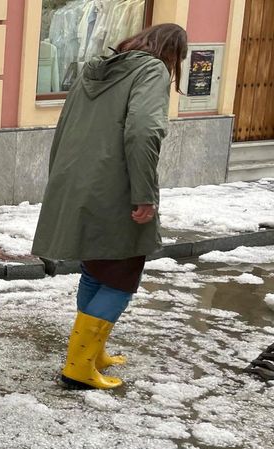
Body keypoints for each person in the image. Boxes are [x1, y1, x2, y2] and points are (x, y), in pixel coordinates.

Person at [31, 24, 188, 390]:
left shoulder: (95, 68)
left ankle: (92, 351)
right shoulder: (152, 70)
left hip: (77, 181)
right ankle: (79, 366)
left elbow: (65, 127)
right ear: (172, 52)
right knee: (121, 275)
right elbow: (144, 131)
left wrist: (60, 181)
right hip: (116, 187)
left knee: (96, 266)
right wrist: (144, 194)